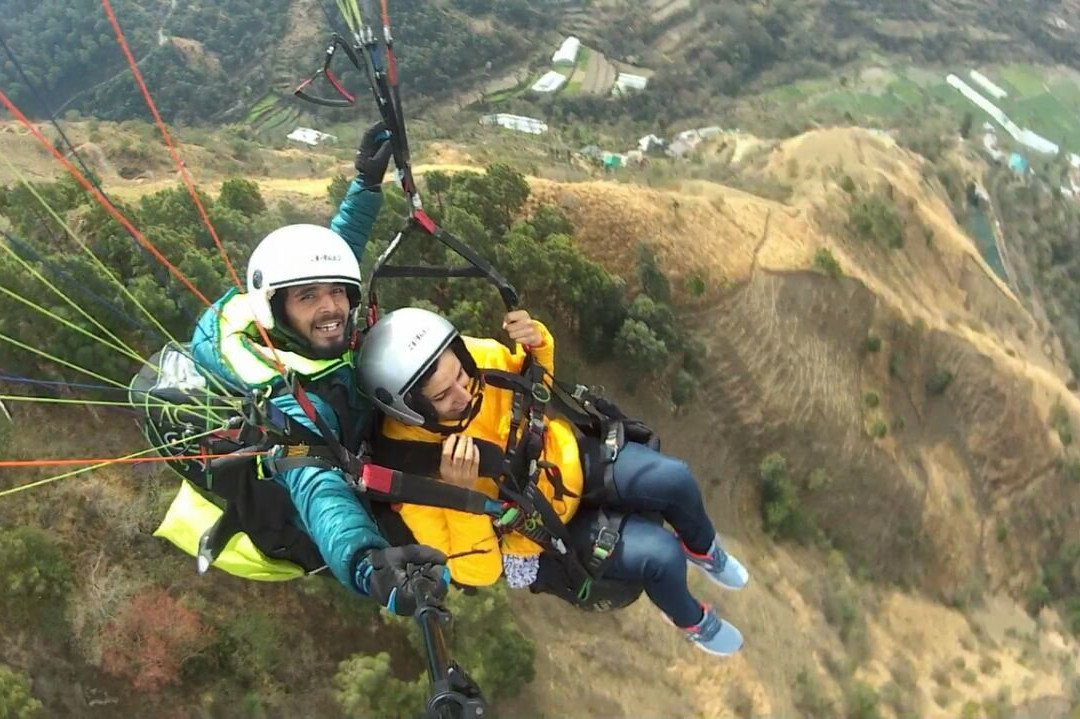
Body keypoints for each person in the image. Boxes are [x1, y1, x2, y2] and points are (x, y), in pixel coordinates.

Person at [356, 306, 750, 655]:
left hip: (562, 464)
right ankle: (692, 621)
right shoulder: (413, 479)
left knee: (675, 479)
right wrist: (462, 496)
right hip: (537, 534)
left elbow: (536, 388)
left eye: (461, 375)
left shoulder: (480, 359)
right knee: (661, 555)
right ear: (411, 409)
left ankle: (704, 550)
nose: (464, 394)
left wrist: (538, 342)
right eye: (443, 396)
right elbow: (476, 572)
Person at [182, 122, 448, 616]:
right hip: (322, 502)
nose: (331, 308)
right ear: (276, 311)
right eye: (309, 297)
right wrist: (368, 565)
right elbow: (316, 483)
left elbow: (329, 254)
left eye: (337, 292)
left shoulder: (308, 331)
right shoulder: (284, 400)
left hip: (358, 447)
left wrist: (366, 185)